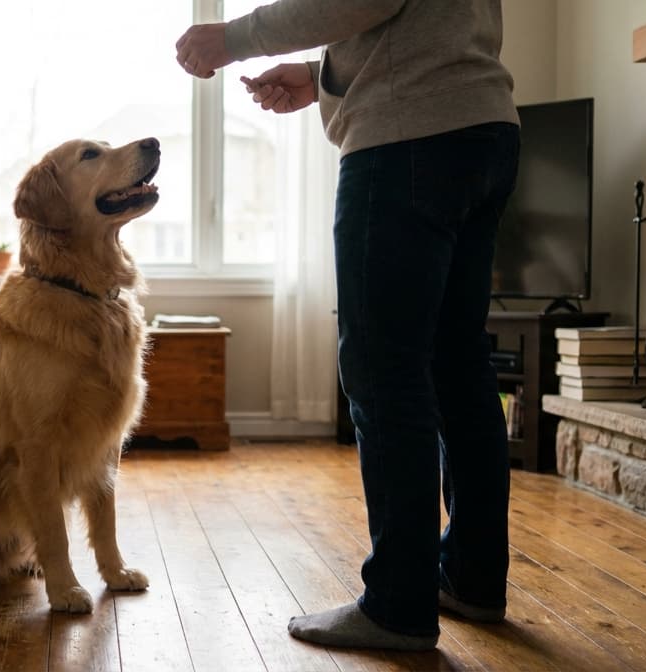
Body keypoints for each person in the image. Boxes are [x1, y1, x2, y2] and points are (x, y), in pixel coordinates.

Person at [176, 0, 520, 651]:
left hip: (408, 137)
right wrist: (325, 74)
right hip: (480, 127)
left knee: (384, 370)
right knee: (457, 364)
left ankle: (398, 603)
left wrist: (232, 38)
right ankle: (472, 578)